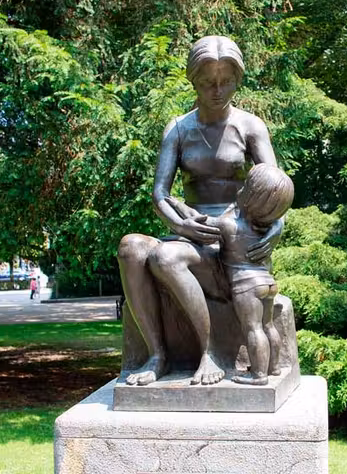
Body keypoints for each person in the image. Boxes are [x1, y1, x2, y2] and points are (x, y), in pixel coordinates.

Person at [117, 36, 283, 386]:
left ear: (237, 81)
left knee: (165, 258)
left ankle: (210, 353)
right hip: (191, 234)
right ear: (194, 80)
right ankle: (157, 354)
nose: (217, 90)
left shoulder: (251, 127)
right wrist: (183, 224)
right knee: (131, 248)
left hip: (234, 241)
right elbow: (160, 193)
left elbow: (276, 187)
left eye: (226, 82)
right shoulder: (179, 129)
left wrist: (276, 227)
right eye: (208, 82)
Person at [167, 163, 293, 385]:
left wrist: (178, 205)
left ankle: (259, 376)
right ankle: (273, 368)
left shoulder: (229, 225)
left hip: (247, 287)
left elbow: (200, 221)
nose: (239, 190)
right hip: (267, 282)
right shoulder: (265, 228)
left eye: (245, 188)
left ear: (250, 198)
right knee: (268, 326)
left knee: (253, 329)